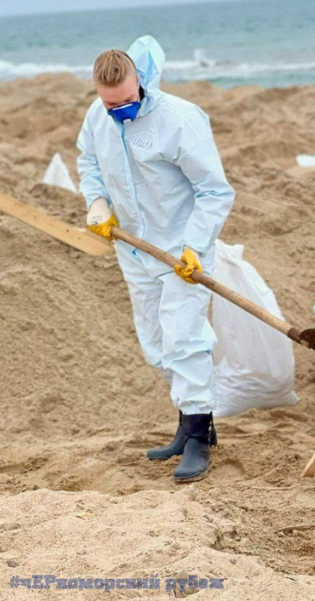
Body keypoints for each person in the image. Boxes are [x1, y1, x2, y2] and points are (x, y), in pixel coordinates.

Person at [78, 36, 234, 482]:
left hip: (182, 248)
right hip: (134, 248)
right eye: (111, 104)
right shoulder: (98, 115)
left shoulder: (178, 119)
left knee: (184, 339)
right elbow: (88, 160)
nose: (120, 111)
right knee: (157, 342)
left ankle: (200, 438)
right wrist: (97, 202)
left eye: (127, 101)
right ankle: (188, 425)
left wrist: (195, 245)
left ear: (140, 82)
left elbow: (214, 190)